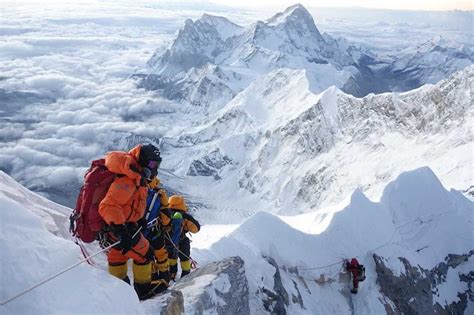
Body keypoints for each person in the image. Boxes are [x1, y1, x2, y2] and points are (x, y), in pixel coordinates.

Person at [98, 143, 162, 300]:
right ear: (143, 161)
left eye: (157, 164)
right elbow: (108, 205)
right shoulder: (127, 179)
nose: (155, 169)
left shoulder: (136, 176)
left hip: (115, 229)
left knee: (117, 258)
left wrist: (138, 220)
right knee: (146, 255)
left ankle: (121, 296)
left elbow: (130, 203)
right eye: (153, 164)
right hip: (119, 229)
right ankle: (143, 292)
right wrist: (121, 230)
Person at [142, 177, 171, 287]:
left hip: (138, 233)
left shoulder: (134, 189)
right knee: (161, 254)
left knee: (146, 256)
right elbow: (165, 220)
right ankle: (164, 276)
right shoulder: (158, 195)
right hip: (155, 232)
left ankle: (151, 278)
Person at [165, 195, 200, 281]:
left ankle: (171, 274)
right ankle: (185, 275)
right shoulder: (184, 216)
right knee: (185, 258)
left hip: (168, 241)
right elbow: (196, 228)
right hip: (182, 240)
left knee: (171, 257)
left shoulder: (165, 213)